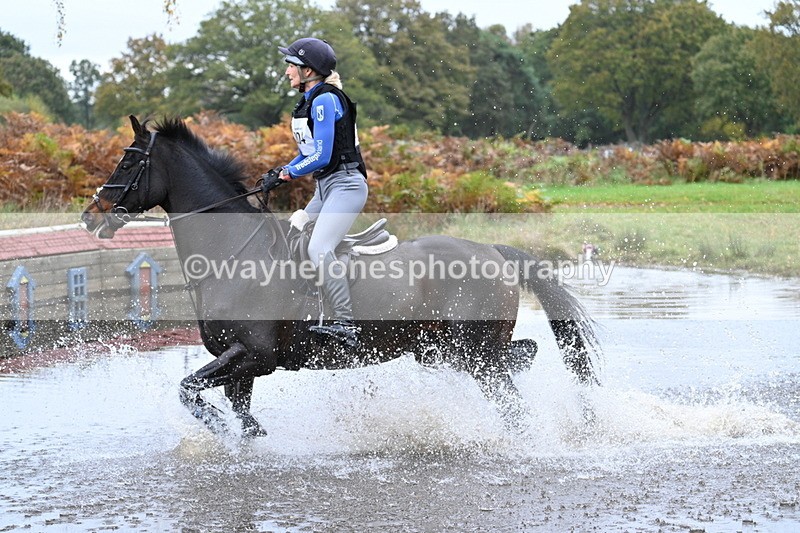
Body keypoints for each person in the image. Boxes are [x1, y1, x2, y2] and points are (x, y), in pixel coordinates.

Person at [263, 37, 368, 349]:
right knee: (292, 237)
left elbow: (322, 156)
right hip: (325, 189)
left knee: (319, 248)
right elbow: (308, 152)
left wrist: (289, 173)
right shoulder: (308, 101)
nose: (287, 71)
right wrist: (282, 170)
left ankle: (346, 324)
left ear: (307, 71)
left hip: (346, 186)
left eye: (291, 66)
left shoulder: (325, 100)